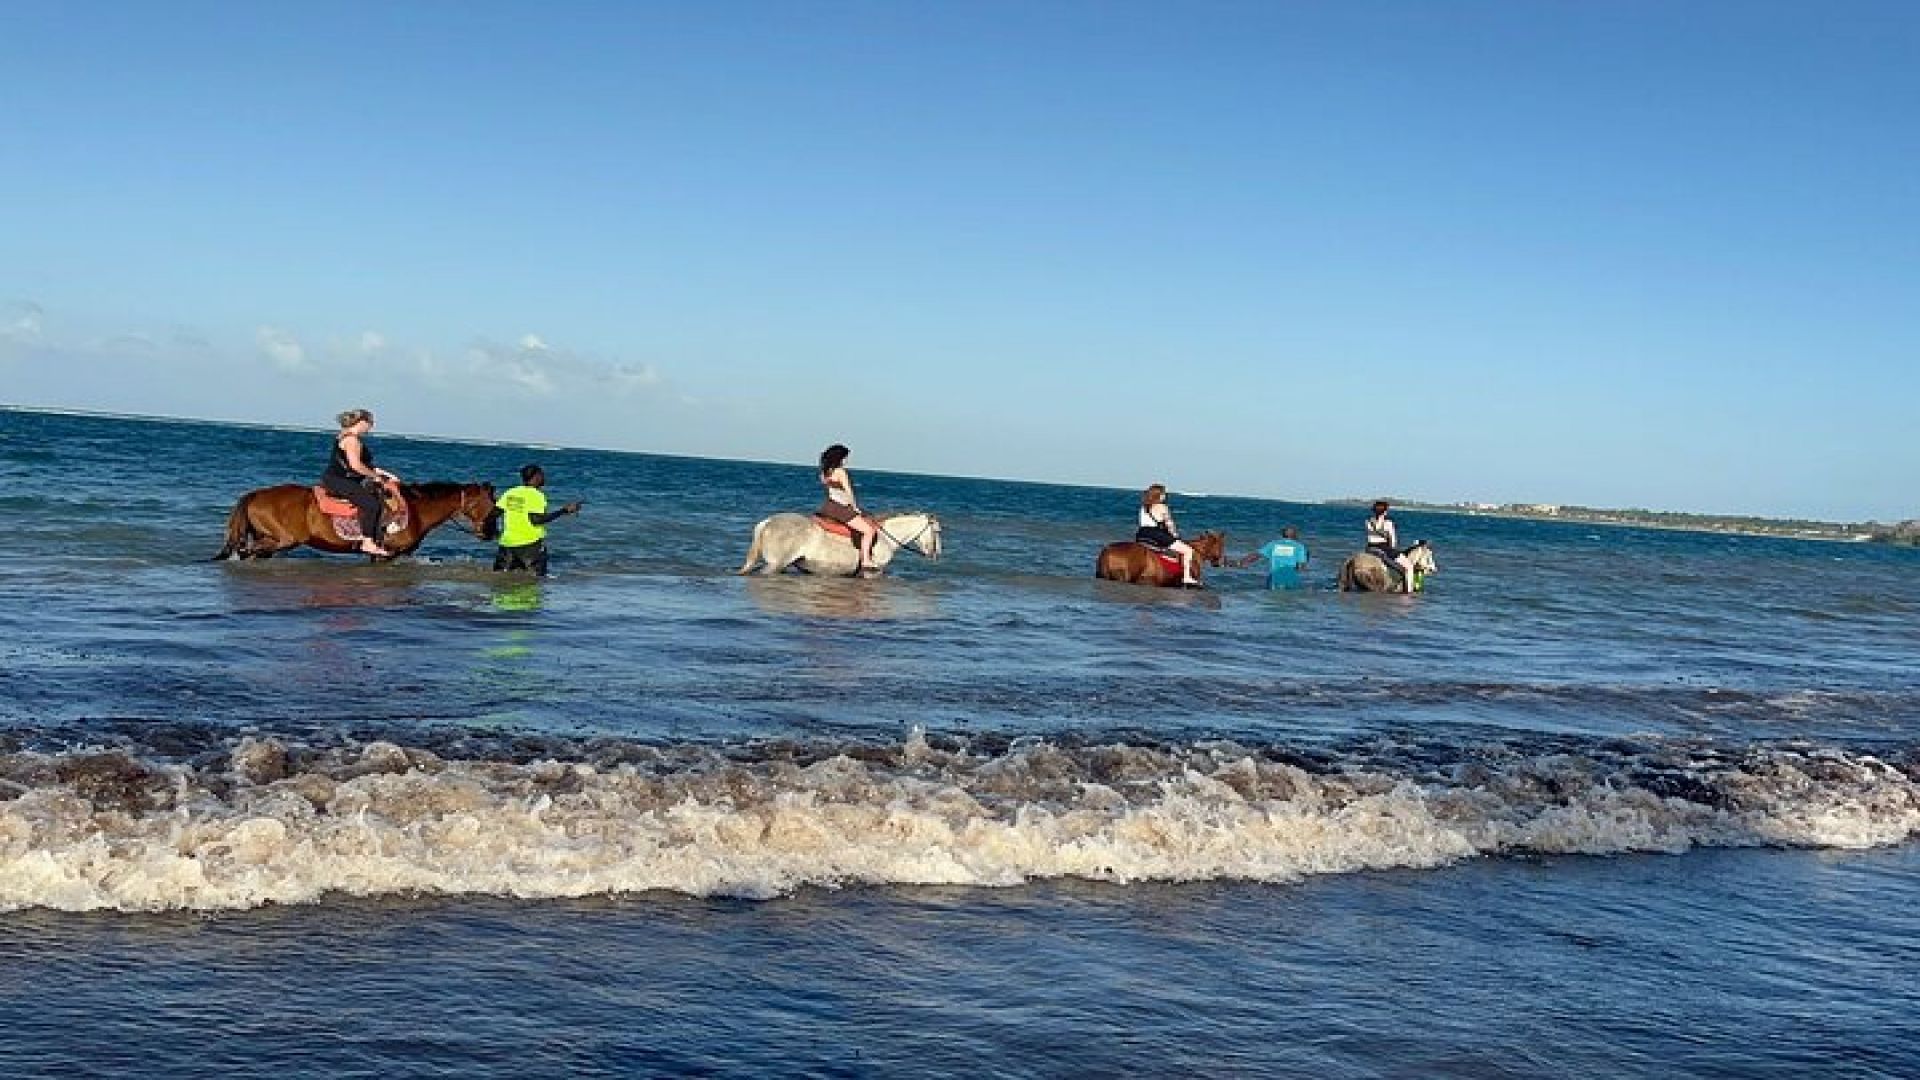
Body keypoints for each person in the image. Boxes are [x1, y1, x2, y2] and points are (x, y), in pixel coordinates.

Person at [319, 408, 399, 557]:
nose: (371, 427)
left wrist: (384, 474)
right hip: (340, 480)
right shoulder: (352, 440)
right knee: (372, 506)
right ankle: (368, 542)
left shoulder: (345, 436)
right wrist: (374, 476)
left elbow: (360, 464)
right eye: (371, 423)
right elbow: (355, 465)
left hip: (338, 478)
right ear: (362, 422)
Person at [491, 464, 582, 577]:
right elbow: (536, 520)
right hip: (530, 546)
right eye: (542, 475)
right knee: (534, 582)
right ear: (536, 477)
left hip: (507, 545)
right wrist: (564, 511)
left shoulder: (511, 492)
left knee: (500, 580)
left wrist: (495, 533)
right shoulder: (537, 495)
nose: (544, 478)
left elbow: (493, 514)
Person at [817, 444, 879, 573]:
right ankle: (866, 561)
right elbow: (849, 491)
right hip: (840, 509)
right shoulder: (840, 472)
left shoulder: (825, 473)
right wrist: (855, 508)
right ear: (839, 458)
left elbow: (832, 491)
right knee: (869, 531)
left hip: (828, 506)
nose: (846, 460)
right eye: (845, 457)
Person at [1136, 483, 1200, 587]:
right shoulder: (1162, 507)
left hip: (1141, 534)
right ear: (1159, 494)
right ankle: (1187, 577)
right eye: (1163, 493)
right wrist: (1176, 536)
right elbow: (1170, 525)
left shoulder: (1144, 507)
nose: (1165, 496)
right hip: (1155, 534)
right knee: (1188, 550)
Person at [1365, 499, 1419, 592]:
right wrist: (1394, 550)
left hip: (1370, 548)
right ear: (1385, 511)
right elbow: (1393, 542)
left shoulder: (1368, 522)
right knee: (1409, 567)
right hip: (1384, 548)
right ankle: (1408, 593)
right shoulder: (1388, 523)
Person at [1237, 526, 1310, 589]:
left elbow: (1256, 556)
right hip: (1290, 576)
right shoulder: (1299, 546)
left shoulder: (1273, 544)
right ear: (1295, 536)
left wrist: (1241, 562)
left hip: (1275, 576)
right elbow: (1301, 566)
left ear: (1282, 535)